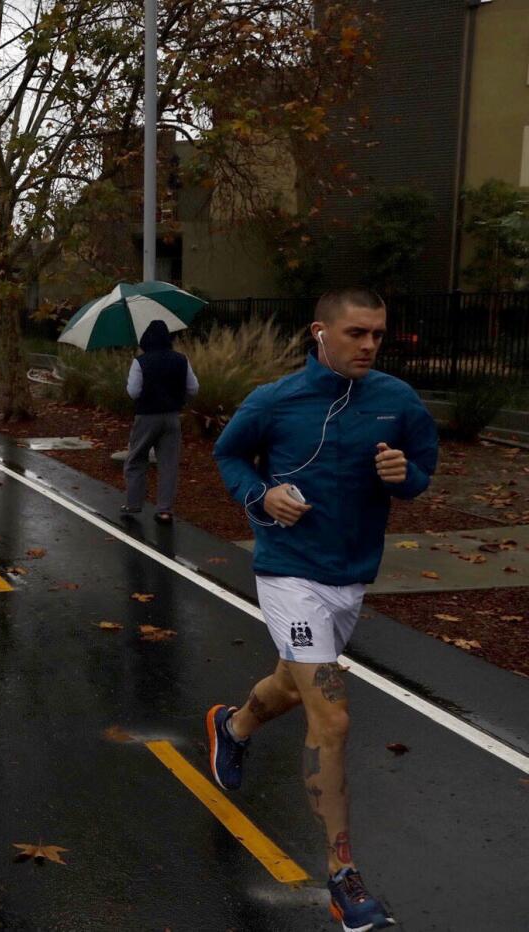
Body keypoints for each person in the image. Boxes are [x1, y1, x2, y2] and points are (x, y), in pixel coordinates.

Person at [207, 288, 437, 932]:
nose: (368, 345)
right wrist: (261, 496)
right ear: (320, 332)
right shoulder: (275, 401)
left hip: (350, 578)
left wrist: (404, 476)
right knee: (330, 717)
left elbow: (423, 471)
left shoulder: (398, 402)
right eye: (356, 333)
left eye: (378, 336)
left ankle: (233, 727)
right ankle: (343, 877)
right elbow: (229, 454)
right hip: (288, 573)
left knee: (290, 683)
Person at [122, 318, 199, 524]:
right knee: (168, 463)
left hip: (146, 416)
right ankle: (164, 510)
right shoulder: (181, 359)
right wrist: (179, 400)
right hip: (172, 417)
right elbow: (193, 388)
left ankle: (133, 504)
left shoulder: (140, 362)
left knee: (137, 459)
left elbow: (133, 392)